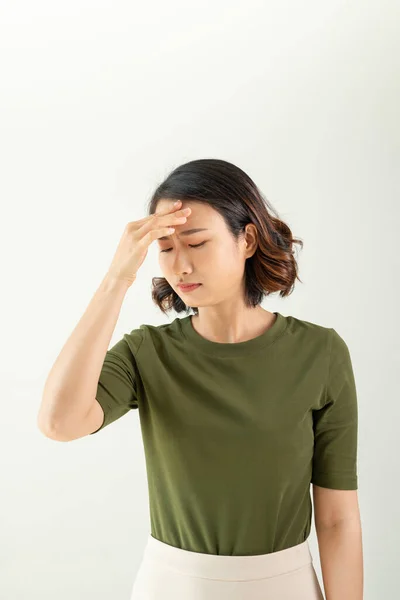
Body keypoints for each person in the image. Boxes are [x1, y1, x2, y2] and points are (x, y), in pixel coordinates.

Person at [38, 158, 363, 599]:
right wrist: (117, 277)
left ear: (246, 239)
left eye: (196, 242)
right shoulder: (146, 352)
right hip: (169, 586)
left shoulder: (320, 353)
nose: (181, 267)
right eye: (166, 249)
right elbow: (59, 423)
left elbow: (337, 518)